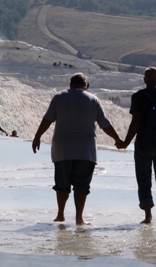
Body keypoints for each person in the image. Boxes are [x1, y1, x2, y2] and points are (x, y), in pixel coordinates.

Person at [32, 73, 123, 226]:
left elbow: (47, 119)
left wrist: (37, 136)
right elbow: (104, 124)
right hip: (85, 150)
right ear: (86, 85)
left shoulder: (59, 97)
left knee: (62, 183)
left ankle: (60, 214)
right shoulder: (93, 99)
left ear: (70, 84)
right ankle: (79, 218)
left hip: (62, 149)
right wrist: (117, 139)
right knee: (81, 185)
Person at [119, 67, 156, 224]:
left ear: (144, 80)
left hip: (144, 143)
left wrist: (126, 142)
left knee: (144, 178)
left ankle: (147, 215)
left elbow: (136, 122)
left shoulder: (138, 96)